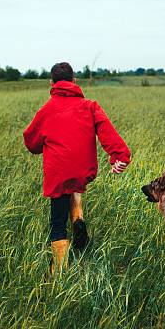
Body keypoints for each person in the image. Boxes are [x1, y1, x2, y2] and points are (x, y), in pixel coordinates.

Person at [23, 62, 131, 273]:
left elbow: (31, 143)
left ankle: (60, 273)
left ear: (51, 83)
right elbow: (107, 131)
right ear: (74, 81)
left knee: (57, 221)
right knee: (74, 183)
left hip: (57, 173)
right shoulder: (90, 106)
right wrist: (120, 156)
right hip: (83, 169)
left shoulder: (46, 110)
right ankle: (79, 219)